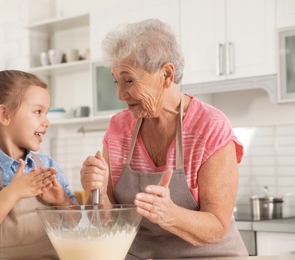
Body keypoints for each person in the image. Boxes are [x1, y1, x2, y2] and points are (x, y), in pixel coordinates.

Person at [80, 19, 248, 259]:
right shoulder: (119, 128)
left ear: (166, 75)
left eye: (129, 80)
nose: (120, 95)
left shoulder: (210, 126)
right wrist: (97, 192)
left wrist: (171, 214)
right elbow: (108, 221)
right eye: (117, 82)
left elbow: (217, 227)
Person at [0, 67, 77, 260]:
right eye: (38, 111)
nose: (46, 122)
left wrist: (62, 201)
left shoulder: (47, 165)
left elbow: (77, 225)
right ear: (4, 115)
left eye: (46, 113)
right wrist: (12, 192)